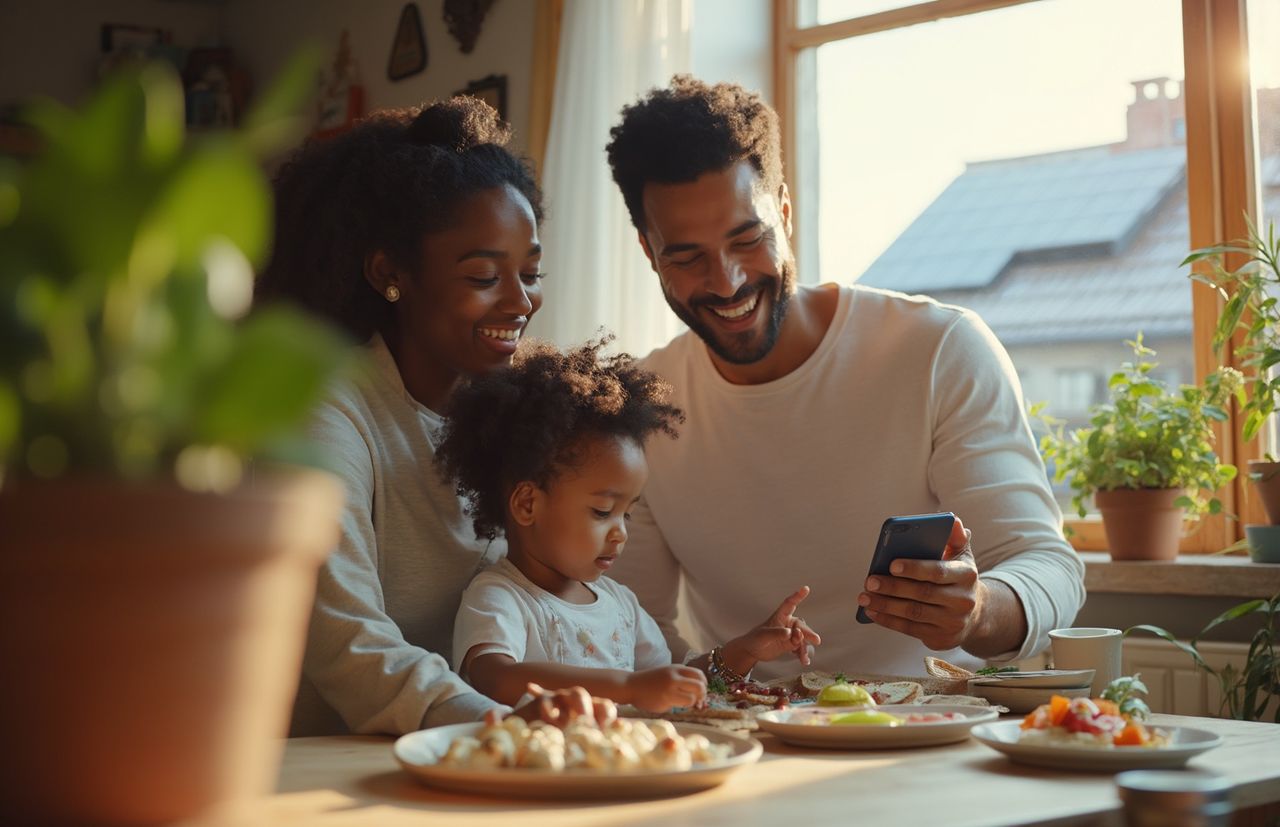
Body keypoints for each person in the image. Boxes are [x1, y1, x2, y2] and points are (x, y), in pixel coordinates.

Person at [603, 76, 1086, 680]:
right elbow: (627, 621)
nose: (726, 282)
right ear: (649, 252)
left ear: (783, 211)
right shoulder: (643, 404)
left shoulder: (938, 348)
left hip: (935, 728)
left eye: (747, 239)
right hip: (749, 742)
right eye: (686, 256)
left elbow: (1046, 564)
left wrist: (978, 611)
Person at [257, 97, 608, 735]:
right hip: (329, 772)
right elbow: (350, 646)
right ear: (390, 273)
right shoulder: (325, 412)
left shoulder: (520, 413)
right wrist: (504, 723)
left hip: (477, 755)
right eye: (483, 275)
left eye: (530, 272)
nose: (521, 302)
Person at [435, 338, 822, 710]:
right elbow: (496, 679)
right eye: (603, 512)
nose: (620, 532)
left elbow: (679, 681)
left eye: (627, 512)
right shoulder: (499, 597)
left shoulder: (621, 605)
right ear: (527, 504)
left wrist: (746, 649)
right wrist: (628, 687)